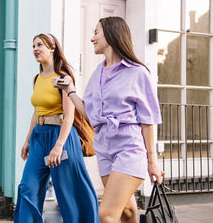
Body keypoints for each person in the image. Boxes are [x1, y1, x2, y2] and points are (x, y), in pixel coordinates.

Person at [52, 16, 165, 223]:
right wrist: (70, 90)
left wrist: (152, 162)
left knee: (106, 214)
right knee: (127, 212)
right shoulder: (98, 73)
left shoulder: (137, 72)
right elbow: (91, 114)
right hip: (104, 148)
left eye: (96, 32)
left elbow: (147, 120)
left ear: (111, 34)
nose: (92, 38)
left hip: (129, 147)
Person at [14, 33, 100, 223]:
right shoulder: (37, 79)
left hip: (62, 137)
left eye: (40, 45)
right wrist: (28, 140)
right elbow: (37, 113)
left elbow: (69, 116)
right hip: (39, 137)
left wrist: (59, 145)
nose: (35, 49)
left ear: (52, 48)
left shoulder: (63, 78)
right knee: (28, 187)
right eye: (33, 45)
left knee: (69, 191)